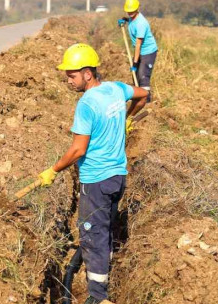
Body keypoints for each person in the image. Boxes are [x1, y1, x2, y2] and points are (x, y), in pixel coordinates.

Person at [37, 43, 148, 304]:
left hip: (96, 181)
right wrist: (127, 118)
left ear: (88, 74)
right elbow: (143, 95)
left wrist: (52, 171)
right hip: (117, 178)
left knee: (92, 237)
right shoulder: (115, 89)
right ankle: (103, 276)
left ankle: (98, 298)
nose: (68, 80)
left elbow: (77, 150)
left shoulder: (86, 104)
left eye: (72, 74)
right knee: (104, 229)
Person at [118, 0, 158, 103]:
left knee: (142, 75)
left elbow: (138, 45)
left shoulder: (141, 23)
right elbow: (131, 20)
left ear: (137, 9)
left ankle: (147, 101)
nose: (130, 13)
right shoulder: (133, 17)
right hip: (140, 51)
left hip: (148, 52)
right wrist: (125, 20)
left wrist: (135, 63)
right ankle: (138, 96)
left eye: (132, 11)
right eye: (128, 12)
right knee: (135, 75)